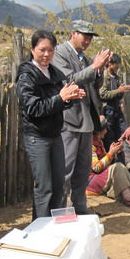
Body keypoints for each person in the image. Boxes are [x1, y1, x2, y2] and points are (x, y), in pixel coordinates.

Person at [16, 30, 85, 219]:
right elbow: (33, 108)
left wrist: (70, 97)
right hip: (37, 137)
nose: (46, 54)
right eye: (42, 50)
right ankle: (40, 226)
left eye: (51, 50)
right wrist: (61, 98)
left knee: (58, 184)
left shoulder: (54, 73)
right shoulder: (27, 75)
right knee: (44, 187)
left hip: (55, 135)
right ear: (32, 49)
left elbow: (59, 103)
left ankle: (55, 223)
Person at [52, 20, 112, 215]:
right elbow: (68, 80)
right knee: (65, 170)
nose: (87, 40)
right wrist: (94, 66)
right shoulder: (59, 53)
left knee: (82, 169)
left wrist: (99, 69)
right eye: (84, 36)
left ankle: (79, 207)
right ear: (73, 33)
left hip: (86, 120)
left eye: (90, 37)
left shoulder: (83, 58)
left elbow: (94, 85)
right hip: (68, 119)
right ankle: (61, 211)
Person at [87, 116, 130, 210]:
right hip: (91, 183)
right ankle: (128, 198)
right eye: (105, 129)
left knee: (120, 166)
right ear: (99, 131)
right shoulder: (90, 145)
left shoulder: (99, 142)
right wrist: (110, 153)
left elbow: (104, 162)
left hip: (100, 178)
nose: (106, 131)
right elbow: (96, 168)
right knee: (118, 166)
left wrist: (113, 152)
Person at [99, 53, 130, 149]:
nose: (118, 66)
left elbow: (118, 96)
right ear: (110, 63)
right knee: (110, 135)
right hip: (107, 110)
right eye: (116, 63)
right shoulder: (104, 76)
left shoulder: (116, 77)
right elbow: (102, 94)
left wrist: (122, 91)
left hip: (116, 109)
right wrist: (119, 90)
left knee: (122, 133)